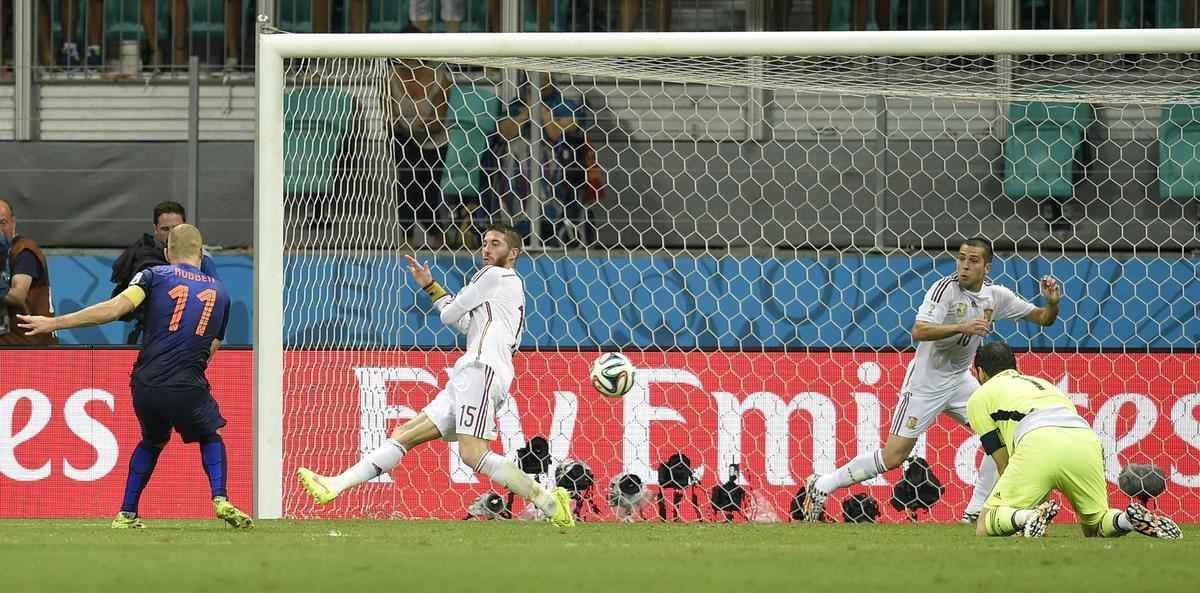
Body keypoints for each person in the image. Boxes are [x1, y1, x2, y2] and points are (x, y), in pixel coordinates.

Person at [296, 223, 575, 529]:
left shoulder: (493, 275)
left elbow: (449, 315)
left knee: (474, 455)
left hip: (480, 370)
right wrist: (431, 286)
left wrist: (448, 302)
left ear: (513, 253)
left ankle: (549, 503)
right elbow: (467, 325)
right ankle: (335, 485)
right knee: (404, 434)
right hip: (474, 373)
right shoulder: (508, 289)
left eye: (495, 243)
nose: (486, 249)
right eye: (485, 243)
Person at [804, 237, 1062, 523]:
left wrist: (1052, 303)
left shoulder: (995, 296)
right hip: (925, 384)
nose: (965, 266)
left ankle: (974, 512)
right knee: (893, 457)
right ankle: (823, 485)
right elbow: (919, 331)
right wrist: (963, 327)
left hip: (960, 381)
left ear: (987, 267)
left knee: (999, 436)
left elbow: (1044, 318)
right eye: (961, 258)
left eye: (973, 260)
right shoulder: (944, 290)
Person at [18, 224, 252, 530]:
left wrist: (54, 323)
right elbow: (211, 348)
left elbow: (116, 308)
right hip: (187, 382)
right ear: (200, 253)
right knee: (209, 435)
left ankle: (127, 513)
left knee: (153, 440)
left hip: (146, 382)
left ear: (167, 253)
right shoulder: (220, 293)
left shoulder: (153, 275)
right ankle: (220, 497)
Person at [968, 342, 1181, 539]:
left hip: (1038, 441)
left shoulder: (980, 396)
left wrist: (1022, 510)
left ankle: (1026, 517)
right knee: (1096, 525)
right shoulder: (1045, 385)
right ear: (1015, 366)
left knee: (984, 523)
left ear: (980, 372)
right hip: (1085, 440)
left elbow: (1005, 463)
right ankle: (1127, 519)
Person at [110, 201, 218, 344]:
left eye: (176, 228)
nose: (171, 234)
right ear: (155, 229)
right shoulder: (142, 258)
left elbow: (216, 304)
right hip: (149, 337)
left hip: (191, 339)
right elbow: (121, 306)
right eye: (165, 229)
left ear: (185, 227)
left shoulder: (203, 258)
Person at [0, 199, 57, 345]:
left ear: (13, 222)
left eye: (2, 223)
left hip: (30, 346)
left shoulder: (24, 251)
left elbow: (18, 295)